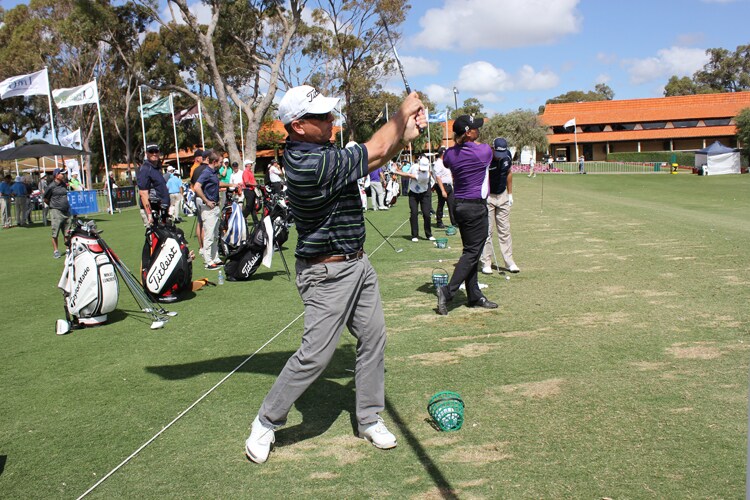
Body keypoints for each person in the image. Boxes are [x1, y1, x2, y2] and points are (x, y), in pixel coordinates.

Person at [244, 84, 426, 464]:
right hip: (325, 274)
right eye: (322, 116)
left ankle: (369, 418)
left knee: (374, 338)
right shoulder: (306, 164)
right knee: (315, 356)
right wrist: (401, 113)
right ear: (298, 126)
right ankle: (265, 422)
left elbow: (375, 158)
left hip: (357, 264)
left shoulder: (324, 151)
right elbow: (374, 149)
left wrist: (404, 135)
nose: (332, 120)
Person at [436, 115, 498, 315]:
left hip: (459, 206)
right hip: (475, 207)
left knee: (471, 252)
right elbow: (490, 154)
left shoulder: (450, 154)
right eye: (475, 128)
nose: (478, 130)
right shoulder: (483, 151)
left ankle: (474, 295)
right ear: (468, 133)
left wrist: (459, 144)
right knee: (472, 253)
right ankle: (448, 291)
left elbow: (447, 160)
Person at [481, 137, 520, 275]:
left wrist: (510, 194)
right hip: (488, 196)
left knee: (505, 230)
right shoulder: (486, 157)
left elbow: (509, 173)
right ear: (492, 148)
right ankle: (486, 262)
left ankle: (509, 262)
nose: (499, 157)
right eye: (497, 153)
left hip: (502, 195)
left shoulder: (507, 156)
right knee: (487, 231)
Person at [193, 150, 234, 270]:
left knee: (216, 234)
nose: (222, 164)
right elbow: (197, 187)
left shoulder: (213, 172)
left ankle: (215, 258)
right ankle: (208, 261)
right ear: (214, 162)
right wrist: (206, 200)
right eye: (220, 162)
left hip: (215, 207)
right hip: (208, 208)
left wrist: (232, 185)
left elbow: (218, 183)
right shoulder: (206, 172)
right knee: (209, 235)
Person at [394, 155, 434, 242]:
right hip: (413, 194)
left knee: (426, 214)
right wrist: (397, 170)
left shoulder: (426, 175)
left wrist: (396, 172)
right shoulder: (414, 167)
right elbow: (407, 173)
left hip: (424, 194)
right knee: (414, 213)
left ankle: (429, 234)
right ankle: (414, 235)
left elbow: (408, 175)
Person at [136, 144, 170, 226]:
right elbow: (143, 193)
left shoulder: (156, 168)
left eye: (156, 151)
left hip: (161, 208)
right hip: (153, 209)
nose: (154, 154)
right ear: (146, 153)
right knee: (154, 233)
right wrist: (149, 214)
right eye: (151, 152)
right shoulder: (146, 169)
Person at [44, 168, 71, 258]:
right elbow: (45, 199)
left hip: (66, 210)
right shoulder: (51, 186)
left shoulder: (64, 184)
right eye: (62, 174)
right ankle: (56, 251)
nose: (63, 175)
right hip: (56, 211)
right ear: (56, 175)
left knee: (67, 232)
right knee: (55, 232)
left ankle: (68, 249)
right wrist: (53, 205)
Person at [190, 150, 211, 247]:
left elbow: (192, 183)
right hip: (204, 196)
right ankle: (205, 246)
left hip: (197, 196)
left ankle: (201, 246)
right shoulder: (205, 169)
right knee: (205, 223)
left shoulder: (195, 169)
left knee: (200, 222)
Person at [432, 147, 455, 228]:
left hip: (449, 185)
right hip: (442, 185)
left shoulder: (446, 162)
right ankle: (439, 221)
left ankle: (454, 222)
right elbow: (438, 177)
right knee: (441, 204)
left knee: (451, 204)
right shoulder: (438, 163)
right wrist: (442, 190)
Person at [241, 159, 259, 226]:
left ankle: (256, 222)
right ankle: (241, 217)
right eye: (250, 164)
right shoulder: (246, 172)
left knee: (253, 207)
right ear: (247, 165)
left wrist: (256, 184)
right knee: (249, 206)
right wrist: (255, 184)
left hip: (252, 190)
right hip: (248, 190)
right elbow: (246, 182)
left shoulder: (250, 172)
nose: (251, 165)